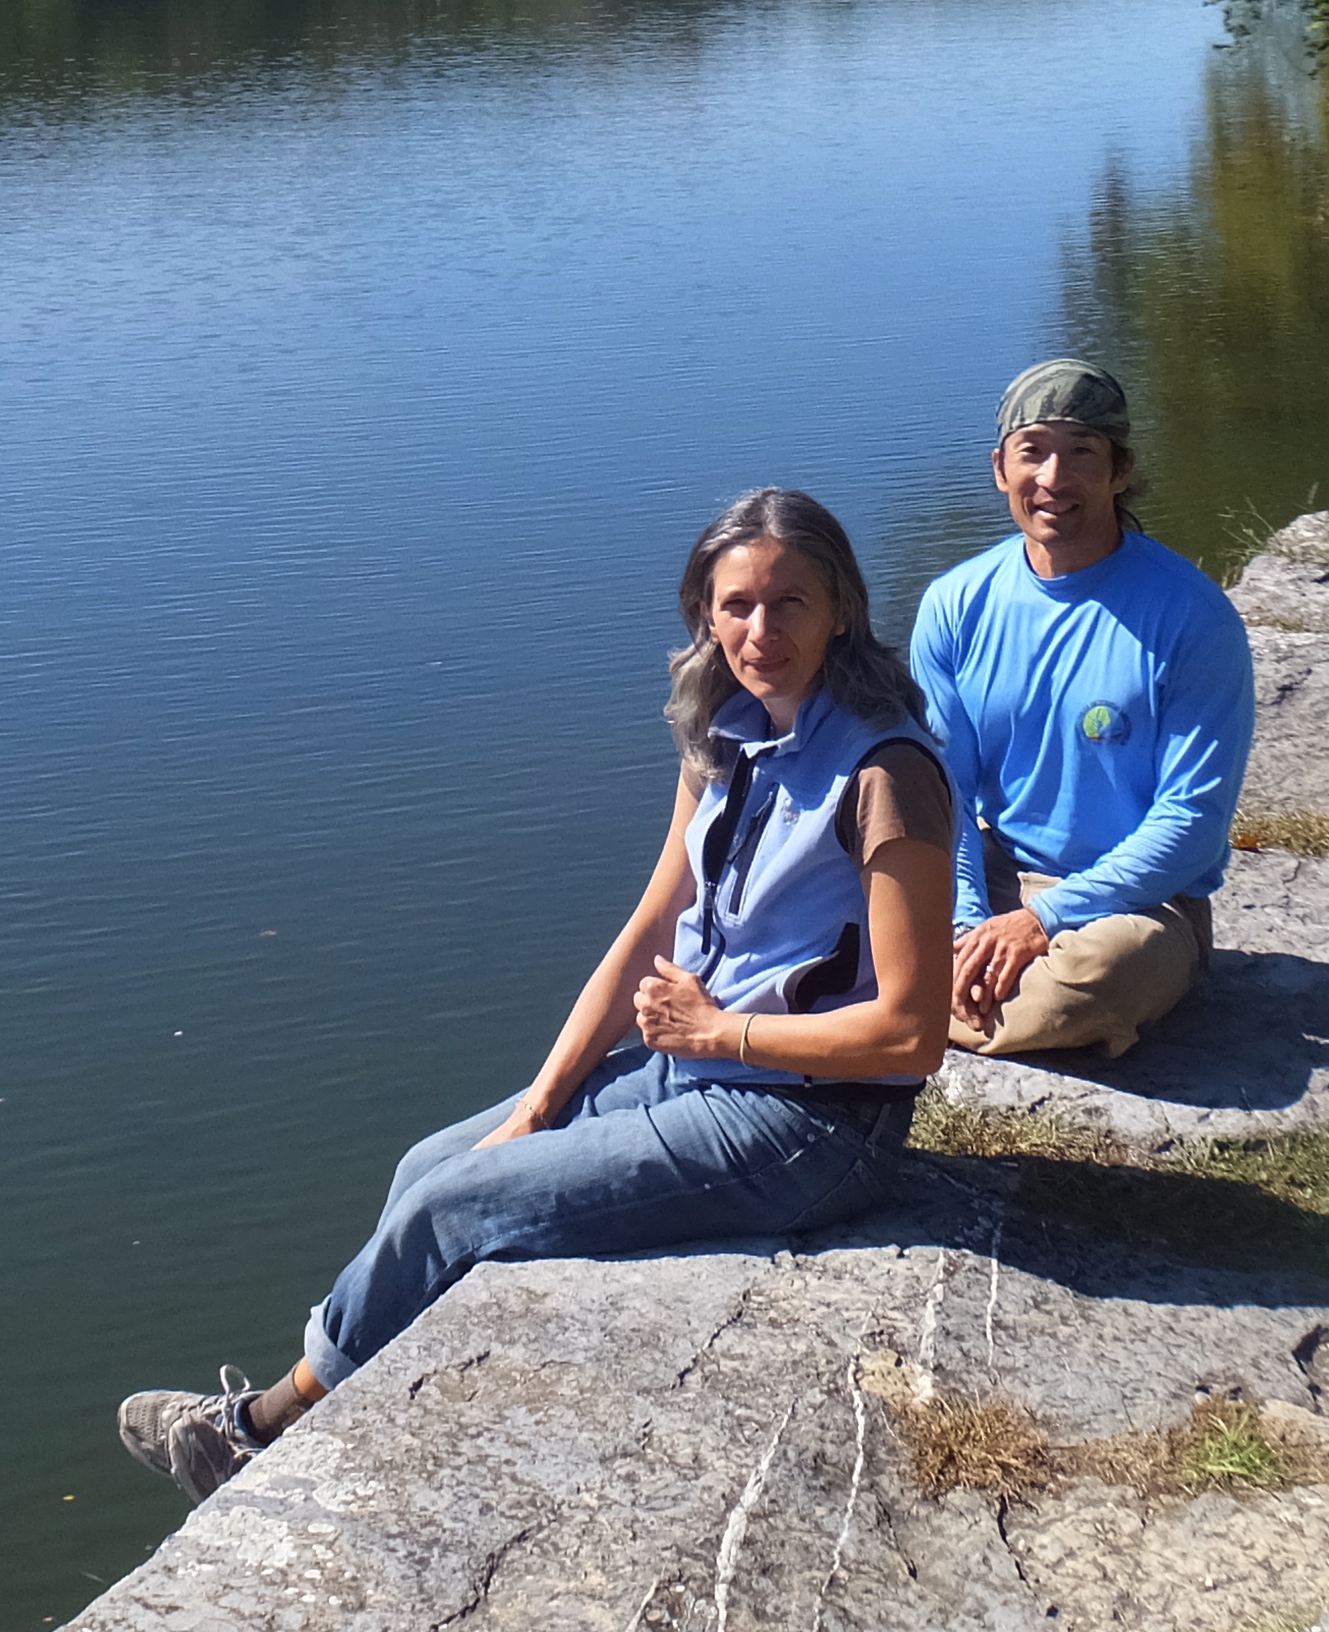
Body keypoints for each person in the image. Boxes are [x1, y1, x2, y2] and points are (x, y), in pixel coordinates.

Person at [115, 488, 957, 1503]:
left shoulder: (887, 771)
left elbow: (912, 1038)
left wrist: (721, 1028)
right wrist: (538, 1105)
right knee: (433, 1164)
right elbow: (651, 927)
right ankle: (373, 1405)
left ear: (843, 610)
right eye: (736, 605)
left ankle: (254, 1431)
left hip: (814, 1125)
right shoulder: (726, 737)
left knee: (456, 1209)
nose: (760, 630)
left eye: (790, 604)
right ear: (704, 614)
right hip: (694, 1073)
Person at [909, 359, 1254, 1061]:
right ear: (999, 467)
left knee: (1099, 976)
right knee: (834, 887)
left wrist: (1042, 919)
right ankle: (955, 983)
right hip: (996, 867)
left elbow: (1192, 825)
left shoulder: (1191, 617)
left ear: (1120, 470)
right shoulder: (955, 604)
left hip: (1138, 904)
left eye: (1082, 454)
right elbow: (942, 791)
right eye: (1033, 452)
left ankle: (903, 1000)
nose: (1054, 479)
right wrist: (967, 925)